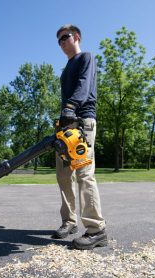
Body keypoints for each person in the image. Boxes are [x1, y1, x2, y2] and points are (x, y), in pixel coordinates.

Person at [53, 24, 107, 250]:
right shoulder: (65, 69)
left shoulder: (86, 57)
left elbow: (84, 86)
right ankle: (69, 221)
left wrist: (70, 106)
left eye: (64, 37)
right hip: (67, 124)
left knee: (84, 174)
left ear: (76, 36)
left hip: (83, 121)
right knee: (64, 175)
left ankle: (96, 230)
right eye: (58, 41)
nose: (62, 43)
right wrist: (65, 115)